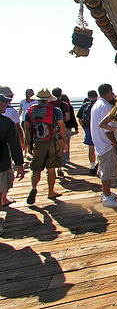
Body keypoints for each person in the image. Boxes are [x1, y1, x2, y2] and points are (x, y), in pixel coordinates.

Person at [24, 88, 67, 204]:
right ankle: (51, 192)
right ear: (49, 99)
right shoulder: (55, 110)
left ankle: (34, 188)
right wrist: (65, 142)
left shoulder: (30, 110)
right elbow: (61, 127)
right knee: (51, 168)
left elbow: (27, 129)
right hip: (52, 142)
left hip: (38, 142)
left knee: (36, 168)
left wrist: (29, 145)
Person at [91, 83, 117, 208]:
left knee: (104, 168)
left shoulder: (97, 104)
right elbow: (107, 129)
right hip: (106, 143)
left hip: (99, 142)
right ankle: (107, 197)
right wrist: (114, 143)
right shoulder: (104, 106)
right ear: (109, 92)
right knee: (107, 170)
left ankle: (106, 192)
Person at [0, 92, 25, 235]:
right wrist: (19, 165)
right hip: (2, 164)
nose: (7, 104)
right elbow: (14, 145)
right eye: (5, 102)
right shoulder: (6, 122)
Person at [77, 90, 98, 175]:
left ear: (88, 97)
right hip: (99, 128)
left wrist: (85, 128)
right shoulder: (99, 105)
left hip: (88, 128)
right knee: (101, 148)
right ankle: (100, 166)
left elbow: (80, 119)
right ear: (97, 96)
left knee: (91, 148)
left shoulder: (85, 105)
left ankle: (92, 166)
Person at [50, 88, 71, 176]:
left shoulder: (48, 104)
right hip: (60, 127)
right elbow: (68, 117)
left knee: (52, 147)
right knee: (61, 146)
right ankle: (61, 165)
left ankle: (51, 168)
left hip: (49, 128)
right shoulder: (64, 104)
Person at [60, 94, 79, 174]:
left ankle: (63, 160)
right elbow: (72, 117)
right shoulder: (68, 106)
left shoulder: (58, 106)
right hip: (68, 127)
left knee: (61, 143)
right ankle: (66, 158)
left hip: (59, 126)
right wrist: (76, 127)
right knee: (67, 142)